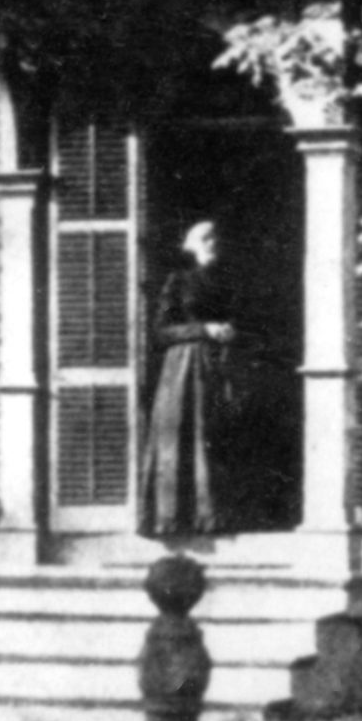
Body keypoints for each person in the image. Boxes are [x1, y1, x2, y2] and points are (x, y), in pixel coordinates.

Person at [139, 220, 237, 539]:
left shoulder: (225, 282)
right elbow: (160, 332)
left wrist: (228, 331)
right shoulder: (178, 281)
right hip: (183, 370)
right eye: (205, 238)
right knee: (183, 438)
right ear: (189, 246)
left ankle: (211, 518)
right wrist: (203, 330)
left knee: (213, 439)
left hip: (217, 368)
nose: (213, 243)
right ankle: (174, 519)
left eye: (216, 238)